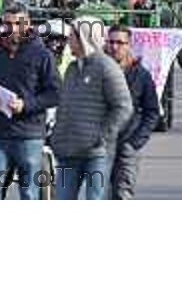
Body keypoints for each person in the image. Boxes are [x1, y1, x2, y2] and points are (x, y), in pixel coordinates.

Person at [0, 5, 61, 200]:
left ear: (27, 25)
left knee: (29, 194)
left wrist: (26, 105)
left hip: (29, 135)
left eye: (17, 23)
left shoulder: (42, 55)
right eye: (7, 23)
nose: (12, 28)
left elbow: (55, 93)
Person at [51, 16, 133, 200]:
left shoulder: (106, 67)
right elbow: (65, 106)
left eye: (72, 35)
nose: (68, 40)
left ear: (84, 38)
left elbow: (123, 107)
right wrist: (56, 137)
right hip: (68, 152)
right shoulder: (72, 68)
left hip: (96, 155)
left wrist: (102, 136)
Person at [106, 24, 159, 200]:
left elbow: (152, 112)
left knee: (122, 195)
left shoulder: (141, 75)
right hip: (100, 146)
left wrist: (135, 142)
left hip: (126, 147)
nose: (114, 47)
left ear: (129, 45)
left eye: (120, 42)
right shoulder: (98, 71)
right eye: (111, 42)